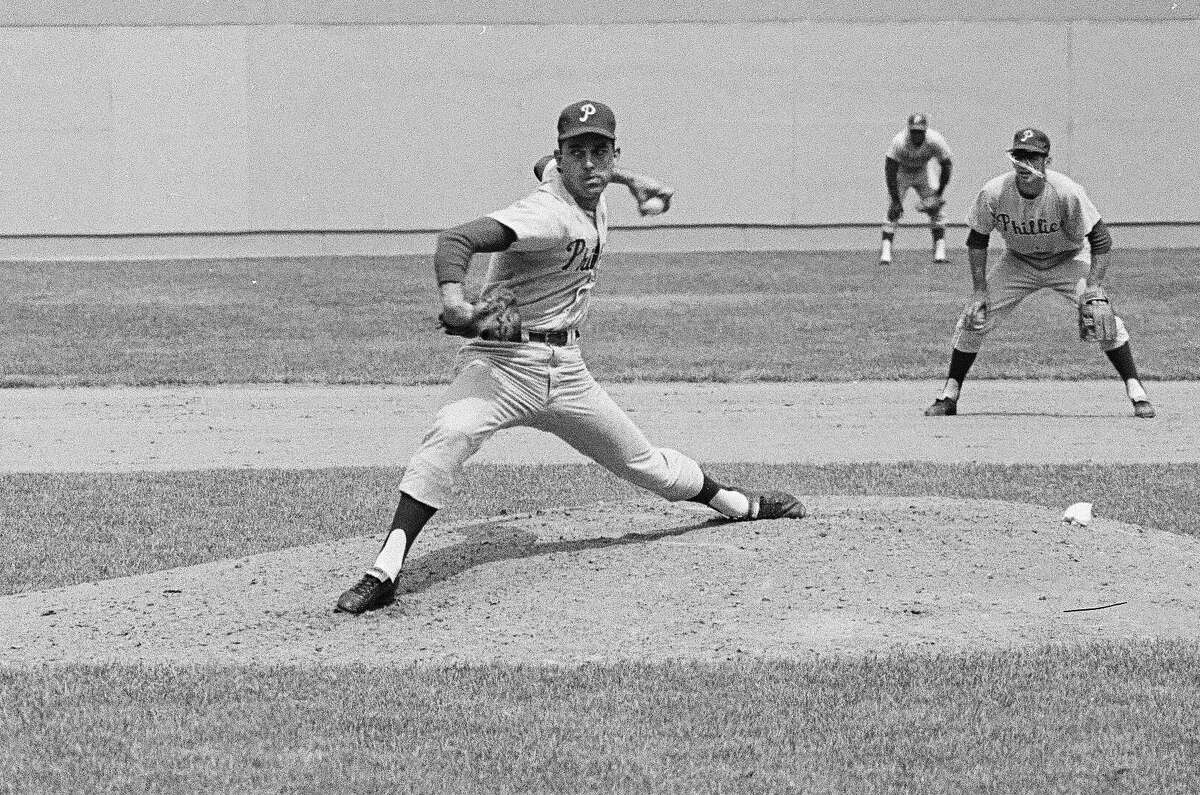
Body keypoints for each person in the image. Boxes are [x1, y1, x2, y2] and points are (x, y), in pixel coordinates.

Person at [336, 100, 806, 614]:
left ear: (613, 153)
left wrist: (629, 182)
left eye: (599, 152)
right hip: (502, 364)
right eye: (576, 153)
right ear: (562, 158)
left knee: (646, 465)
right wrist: (454, 300)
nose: (588, 164)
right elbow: (458, 239)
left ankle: (740, 505)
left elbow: (555, 163)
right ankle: (384, 571)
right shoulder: (548, 214)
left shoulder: (593, 189)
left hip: (568, 371)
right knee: (450, 435)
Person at [923, 127, 1155, 419]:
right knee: (974, 318)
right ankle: (949, 395)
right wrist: (979, 290)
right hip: (1018, 262)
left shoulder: (1066, 191)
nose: (1025, 163)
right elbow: (977, 239)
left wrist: (1094, 287)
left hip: (1068, 259)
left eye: (1033, 157)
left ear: (1047, 160)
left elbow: (1101, 238)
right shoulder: (994, 192)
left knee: (1101, 316)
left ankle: (1136, 391)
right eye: (1020, 156)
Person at [880, 113, 954, 265]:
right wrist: (895, 200)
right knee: (892, 212)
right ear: (909, 130)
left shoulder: (935, 140)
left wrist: (938, 195)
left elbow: (946, 164)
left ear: (925, 131)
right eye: (913, 131)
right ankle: (885, 255)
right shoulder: (899, 142)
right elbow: (890, 169)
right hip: (902, 172)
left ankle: (940, 253)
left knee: (936, 212)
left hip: (923, 171)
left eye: (920, 132)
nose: (916, 135)